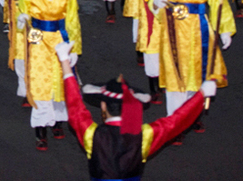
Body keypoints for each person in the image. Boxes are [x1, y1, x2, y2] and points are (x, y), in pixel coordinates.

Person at [60, 49, 212, 178]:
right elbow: (176, 121)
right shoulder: (143, 136)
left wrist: (65, 62)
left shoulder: (92, 135)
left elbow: (75, 108)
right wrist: (201, 94)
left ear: (103, 105)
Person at [150, 0, 234, 132]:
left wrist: (224, 28)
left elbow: (218, 2)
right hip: (174, 31)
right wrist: (157, 4)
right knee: (176, 74)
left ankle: (193, 114)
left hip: (200, 29)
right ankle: (174, 123)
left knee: (197, 72)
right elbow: (155, 3)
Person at [15, 0, 79, 149]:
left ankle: (57, 122)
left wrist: (74, 48)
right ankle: (40, 129)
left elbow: (72, 18)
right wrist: (23, 25)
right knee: (41, 82)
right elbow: (24, 15)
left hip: (60, 40)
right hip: (39, 41)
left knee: (59, 82)